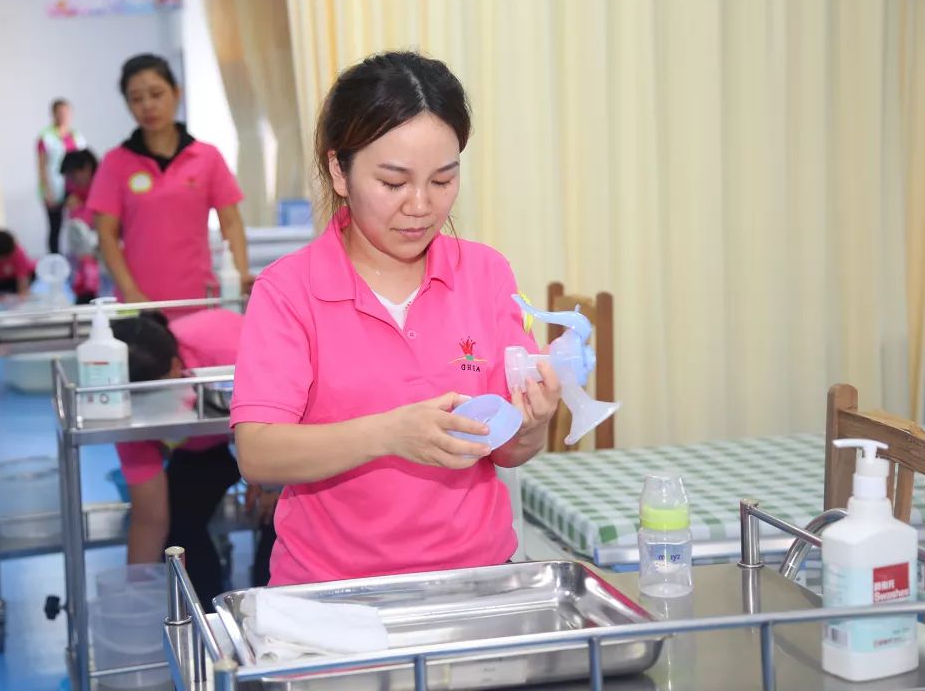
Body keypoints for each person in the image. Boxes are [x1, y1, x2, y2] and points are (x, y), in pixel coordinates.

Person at [230, 51, 562, 587]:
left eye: (442, 180)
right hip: (332, 591)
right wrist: (389, 434)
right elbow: (259, 453)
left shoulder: (485, 273)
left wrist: (535, 421)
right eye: (393, 182)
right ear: (339, 171)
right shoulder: (289, 291)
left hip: (476, 579)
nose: (420, 206)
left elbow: (507, 450)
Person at [111, 310, 279, 605]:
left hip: (276, 429)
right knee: (179, 528)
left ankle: (270, 604)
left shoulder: (228, 345)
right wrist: (135, 597)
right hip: (205, 447)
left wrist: (272, 482)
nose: (148, 410)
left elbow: (293, 411)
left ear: (177, 367)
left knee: (280, 519)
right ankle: (207, 612)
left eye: (154, 400)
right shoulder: (126, 410)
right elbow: (150, 519)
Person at [88, 54, 251, 311]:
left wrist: (239, 276)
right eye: (136, 99)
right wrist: (130, 291)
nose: (148, 106)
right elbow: (106, 234)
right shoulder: (115, 163)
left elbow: (230, 223)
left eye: (156, 94)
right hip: (139, 306)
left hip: (200, 300)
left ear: (176, 93)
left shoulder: (207, 157)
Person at [37, 98, 86, 254]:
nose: (63, 116)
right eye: (60, 113)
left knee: (78, 225)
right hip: (54, 186)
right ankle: (55, 259)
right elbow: (42, 166)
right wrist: (47, 190)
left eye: (66, 112)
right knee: (55, 227)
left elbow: (84, 162)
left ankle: (80, 260)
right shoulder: (46, 137)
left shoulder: (76, 136)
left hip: (73, 187)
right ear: (53, 114)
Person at [60, 149, 101, 305]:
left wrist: (78, 211)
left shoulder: (104, 189)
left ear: (87, 168)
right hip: (85, 262)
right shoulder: (75, 194)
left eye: (73, 175)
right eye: (69, 177)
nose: (72, 180)